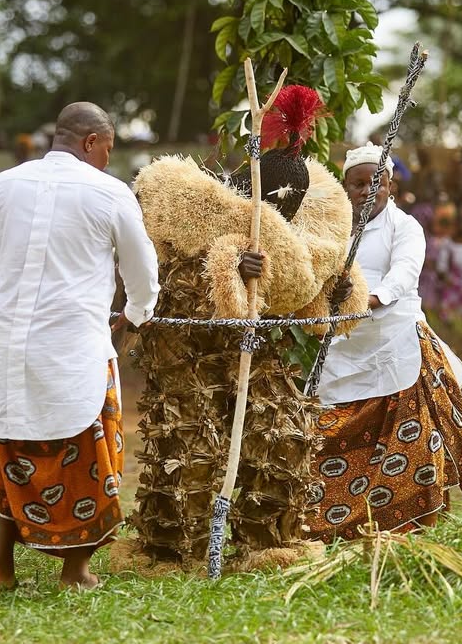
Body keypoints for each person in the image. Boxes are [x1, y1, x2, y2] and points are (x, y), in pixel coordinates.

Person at [128, 87, 368, 566]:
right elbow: (219, 281)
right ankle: (174, 552)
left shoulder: (310, 229)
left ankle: (267, 543)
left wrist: (335, 296)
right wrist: (237, 271)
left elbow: (312, 306)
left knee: (282, 430)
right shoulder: (194, 222)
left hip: (255, 343)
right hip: (189, 345)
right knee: (192, 450)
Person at [0, 102, 159, 590]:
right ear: (92, 141)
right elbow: (142, 274)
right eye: (108, 150)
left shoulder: (1, 185)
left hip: (6, 345)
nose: (107, 160)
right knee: (88, 453)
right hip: (76, 348)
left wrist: (15, 301)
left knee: (9, 449)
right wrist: (135, 316)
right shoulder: (110, 192)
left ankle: (0, 569)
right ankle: (74, 572)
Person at [310, 144, 462, 541]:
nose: (367, 190)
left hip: (397, 343)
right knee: (326, 433)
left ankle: (414, 523)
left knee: (416, 439)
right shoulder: (335, 232)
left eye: (375, 182)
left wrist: (370, 299)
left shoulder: (406, 227)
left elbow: (404, 273)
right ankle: (335, 526)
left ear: (390, 186)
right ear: (345, 188)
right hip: (344, 347)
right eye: (358, 183)